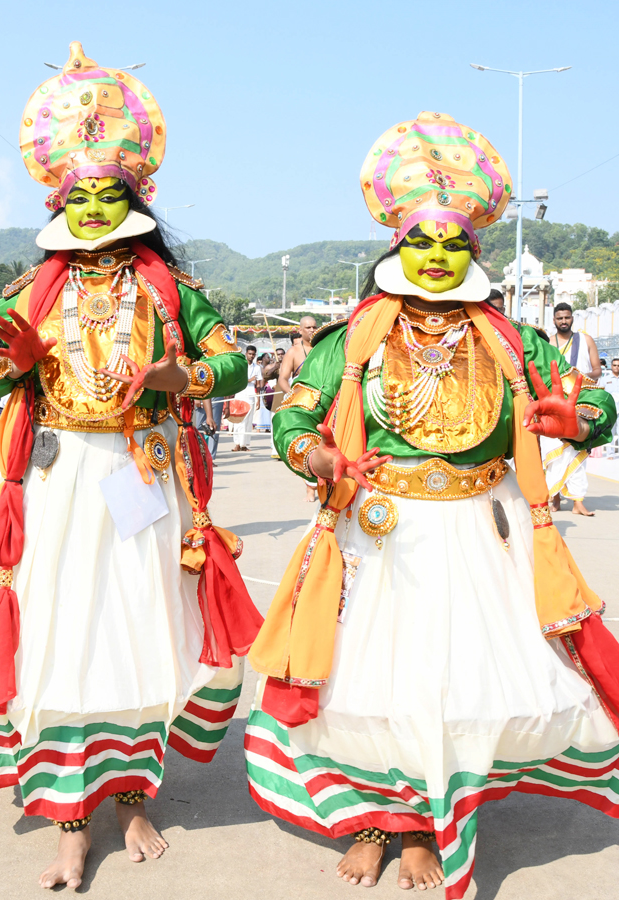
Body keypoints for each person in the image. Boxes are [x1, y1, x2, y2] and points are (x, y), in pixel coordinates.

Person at [245, 111, 618, 899]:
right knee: (370, 678)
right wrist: (315, 454)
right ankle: (387, 820)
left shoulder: (510, 338)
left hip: (480, 532)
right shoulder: (354, 340)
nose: (440, 256)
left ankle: (427, 820)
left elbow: (595, 409)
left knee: (455, 679)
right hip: (376, 532)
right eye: (424, 241)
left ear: (474, 252)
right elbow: (294, 415)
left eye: (455, 243)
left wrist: (577, 418)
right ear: (398, 247)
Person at [0, 43, 262, 891]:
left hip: (142, 477)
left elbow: (234, 362)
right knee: (63, 637)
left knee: (141, 632)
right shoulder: (31, 287)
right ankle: (69, 819)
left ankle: (133, 794)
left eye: (110, 194)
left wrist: (182, 376)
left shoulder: (170, 286)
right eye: (80, 196)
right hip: (58, 484)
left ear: (133, 199)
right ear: (58, 201)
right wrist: (12, 359)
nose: (95, 208)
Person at [542, 302, 602, 516]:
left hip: (582, 401)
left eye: (567, 317)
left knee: (579, 447)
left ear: (572, 319)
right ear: (554, 320)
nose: (564, 321)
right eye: (560, 318)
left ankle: (578, 501)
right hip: (555, 403)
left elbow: (597, 369)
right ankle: (554, 496)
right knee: (554, 451)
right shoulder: (548, 343)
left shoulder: (585, 340)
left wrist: (580, 377)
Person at [278, 318, 318, 499]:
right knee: (308, 443)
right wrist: (293, 395)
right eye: (308, 327)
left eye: (315, 327)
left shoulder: (323, 349)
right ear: (300, 330)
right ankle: (311, 486)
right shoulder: (293, 352)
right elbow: (283, 379)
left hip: (323, 401)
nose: (312, 330)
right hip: (301, 403)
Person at [232, 344, 262, 451]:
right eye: (249, 354)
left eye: (253, 354)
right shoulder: (240, 366)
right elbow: (235, 381)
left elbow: (258, 384)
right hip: (240, 394)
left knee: (248, 421)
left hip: (251, 396)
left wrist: (258, 399)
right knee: (238, 419)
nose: (251, 356)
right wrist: (249, 380)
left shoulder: (257, 368)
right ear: (246, 354)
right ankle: (237, 443)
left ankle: (244, 444)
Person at [602, 357, 619, 441]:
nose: (616, 367)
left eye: (618, 365)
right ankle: (610, 453)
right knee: (610, 431)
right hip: (610, 410)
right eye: (615, 365)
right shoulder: (605, 379)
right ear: (611, 366)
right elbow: (601, 393)